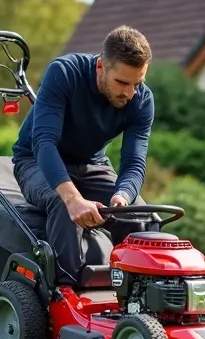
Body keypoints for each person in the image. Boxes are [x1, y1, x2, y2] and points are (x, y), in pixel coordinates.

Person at [11, 25, 154, 286]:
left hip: (93, 164)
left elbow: (134, 162)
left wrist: (123, 196)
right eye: (122, 82)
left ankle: (139, 295)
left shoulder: (142, 100)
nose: (129, 93)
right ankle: (66, 294)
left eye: (137, 83)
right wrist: (73, 198)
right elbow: (43, 142)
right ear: (101, 67)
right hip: (34, 160)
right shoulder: (64, 73)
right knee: (63, 205)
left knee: (139, 215)